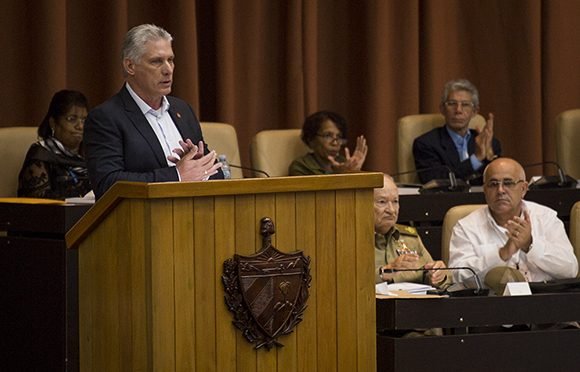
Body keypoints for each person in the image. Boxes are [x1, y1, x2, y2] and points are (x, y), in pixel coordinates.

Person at [83, 24, 223, 199]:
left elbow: (218, 175)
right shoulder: (106, 117)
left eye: (170, 60)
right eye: (156, 61)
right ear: (130, 66)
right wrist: (177, 176)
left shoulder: (182, 110)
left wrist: (200, 168)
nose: (168, 70)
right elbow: (107, 183)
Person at [449, 157, 578, 285]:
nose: (500, 190)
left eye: (508, 183)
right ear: (485, 190)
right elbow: (457, 276)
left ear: (523, 188)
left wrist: (530, 244)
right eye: (493, 184)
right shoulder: (466, 227)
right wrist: (501, 254)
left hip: (545, 301)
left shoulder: (546, 218)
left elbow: (570, 270)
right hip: (491, 303)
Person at [413, 79, 501, 185]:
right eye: (452, 104)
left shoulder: (489, 143)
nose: (458, 110)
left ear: (475, 112)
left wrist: (491, 159)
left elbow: (497, 181)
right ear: (442, 109)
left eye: (465, 104)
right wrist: (476, 159)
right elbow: (435, 181)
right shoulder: (426, 144)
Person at [375, 174, 451, 287]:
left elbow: (432, 275)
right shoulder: (352, 241)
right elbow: (346, 283)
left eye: (395, 201)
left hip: (413, 302)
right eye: (382, 202)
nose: (391, 210)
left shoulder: (409, 238)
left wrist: (438, 276)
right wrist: (383, 273)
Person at [18, 90, 92, 199]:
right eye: (72, 119)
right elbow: (37, 203)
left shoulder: (90, 154)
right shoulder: (41, 156)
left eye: (84, 120)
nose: (80, 126)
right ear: (53, 123)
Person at [288, 110, 368, 175]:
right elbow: (316, 194)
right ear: (311, 139)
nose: (335, 143)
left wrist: (354, 173)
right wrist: (338, 176)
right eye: (328, 136)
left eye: (339, 137)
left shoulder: (345, 163)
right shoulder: (300, 166)